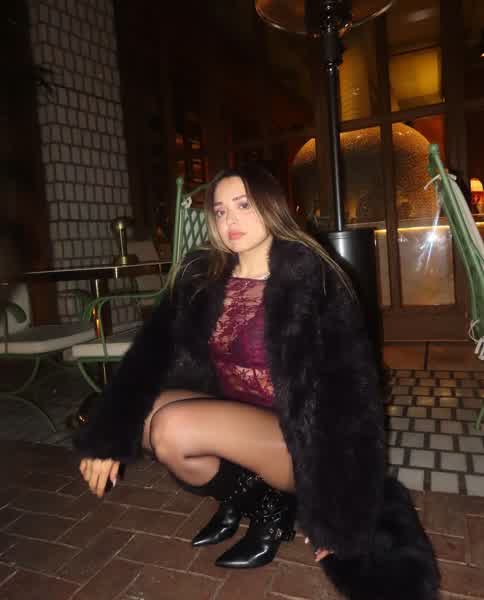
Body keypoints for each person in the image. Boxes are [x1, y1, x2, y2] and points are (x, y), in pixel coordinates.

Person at [75, 164, 439, 599]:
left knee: (173, 428)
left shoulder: (314, 279)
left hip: (294, 442)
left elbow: (351, 394)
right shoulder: (202, 276)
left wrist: (339, 511)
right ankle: (257, 502)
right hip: (233, 421)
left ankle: (272, 506)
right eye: (220, 210)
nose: (230, 220)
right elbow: (149, 356)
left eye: (244, 205)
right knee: (147, 417)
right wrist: (108, 436)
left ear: (270, 207)